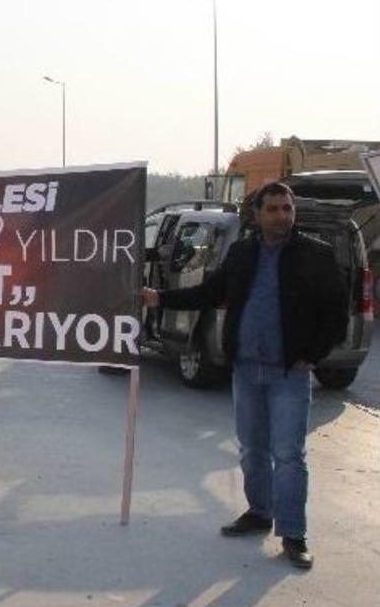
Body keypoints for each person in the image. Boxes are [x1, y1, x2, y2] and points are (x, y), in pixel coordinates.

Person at [142, 182, 347, 570]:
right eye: (273, 209)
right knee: (252, 449)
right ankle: (259, 513)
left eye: (287, 208)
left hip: (289, 372)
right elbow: (208, 292)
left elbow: (336, 314)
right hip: (247, 368)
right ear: (257, 214)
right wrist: (160, 298)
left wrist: (312, 355)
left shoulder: (315, 256)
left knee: (288, 455)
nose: (282, 215)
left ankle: (293, 534)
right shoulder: (242, 253)